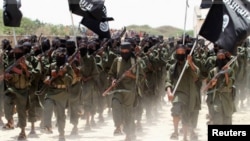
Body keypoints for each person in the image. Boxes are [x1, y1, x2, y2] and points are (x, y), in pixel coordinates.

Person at [108, 41, 144, 141]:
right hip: (118, 89)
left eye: (126, 51)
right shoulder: (117, 61)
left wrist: (131, 75)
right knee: (115, 103)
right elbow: (111, 74)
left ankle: (129, 134)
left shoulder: (135, 61)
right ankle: (118, 126)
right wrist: (113, 80)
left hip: (130, 91)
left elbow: (141, 78)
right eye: (122, 51)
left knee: (128, 113)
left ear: (129, 51)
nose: (124, 53)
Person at [165, 44, 200, 141]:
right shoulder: (172, 67)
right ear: (176, 54)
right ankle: (175, 132)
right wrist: (169, 92)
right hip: (178, 94)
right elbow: (168, 81)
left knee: (186, 116)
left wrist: (191, 63)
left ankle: (185, 137)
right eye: (178, 53)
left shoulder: (189, 66)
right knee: (176, 110)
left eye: (182, 53)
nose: (180, 54)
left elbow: (197, 75)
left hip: (189, 95)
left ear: (185, 54)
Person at [4, 44, 39, 140]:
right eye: (14, 52)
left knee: (21, 112)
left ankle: (23, 131)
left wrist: (24, 68)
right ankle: (9, 120)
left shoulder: (27, 63)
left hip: (23, 91)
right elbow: (8, 76)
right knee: (6, 99)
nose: (15, 54)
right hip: (13, 89)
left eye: (17, 52)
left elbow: (30, 77)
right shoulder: (12, 63)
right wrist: (8, 77)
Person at [43, 47, 73, 141]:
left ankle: (61, 134)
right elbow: (45, 76)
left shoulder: (68, 67)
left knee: (61, 115)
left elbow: (71, 80)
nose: (60, 57)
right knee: (47, 106)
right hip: (51, 90)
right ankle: (47, 126)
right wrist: (48, 78)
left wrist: (63, 74)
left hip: (62, 92)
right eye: (58, 55)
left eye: (62, 55)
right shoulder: (52, 65)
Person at [206, 49, 236, 125]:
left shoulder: (230, 71)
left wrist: (226, 73)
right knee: (217, 120)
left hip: (227, 99)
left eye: (222, 56)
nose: (221, 58)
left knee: (227, 120)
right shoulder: (213, 71)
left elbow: (229, 84)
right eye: (219, 56)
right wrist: (212, 83)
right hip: (216, 99)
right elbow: (208, 86)